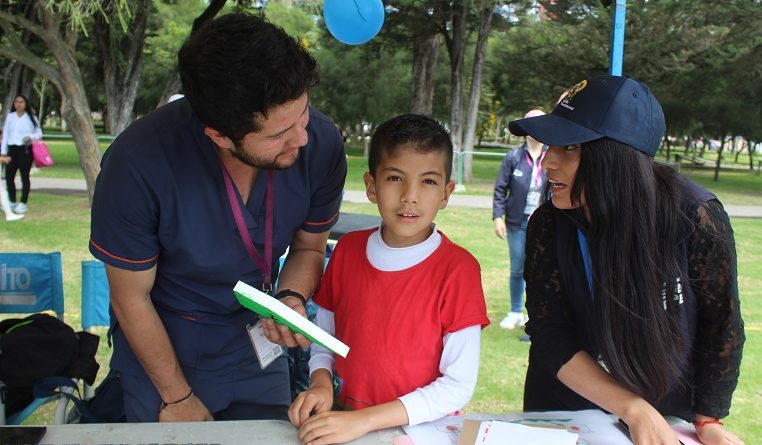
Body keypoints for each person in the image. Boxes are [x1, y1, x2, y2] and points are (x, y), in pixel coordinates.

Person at [89, 13, 346, 423]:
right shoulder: (137, 163)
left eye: (303, 115)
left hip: (257, 338)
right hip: (167, 342)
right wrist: (176, 398)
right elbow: (129, 298)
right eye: (279, 134)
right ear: (219, 136)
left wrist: (290, 298)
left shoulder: (322, 143)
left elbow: (309, 246)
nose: (302, 138)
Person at [509, 75, 745, 445]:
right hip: (566, 411)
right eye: (552, 144)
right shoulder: (549, 223)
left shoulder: (695, 217)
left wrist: (707, 419)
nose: (549, 161)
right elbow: (549, 332)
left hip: (663, 416)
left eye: (569, 147)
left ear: (616, 157)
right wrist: (631, 408)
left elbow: (721, 325)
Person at [288, 114, 490, 445]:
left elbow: (457, 386)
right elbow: (325, 337)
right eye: (395, 178)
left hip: (424, 430)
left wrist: (364, 421)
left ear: (446, 193)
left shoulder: (459, 269)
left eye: (428, 181)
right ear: (371, 185)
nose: (410, 195)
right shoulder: (348, 250)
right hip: (345, 419)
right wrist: (321, 383)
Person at [492, 109, 547, 332]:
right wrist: (497, 217)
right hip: (516, 222)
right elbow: (500, 190)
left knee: (539, 269)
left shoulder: (552, 155)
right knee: (518, 268)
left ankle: (535, 314)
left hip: (543, 223)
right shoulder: (513, 157)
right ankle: (515, 311)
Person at [1, 94, 42, 215]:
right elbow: (6, 135)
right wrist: (3, 151)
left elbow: (39, 133)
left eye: (21, 102)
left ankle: (23, 203)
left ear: (25, 104)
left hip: (25, 149)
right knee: (9, 176)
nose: (18, 104)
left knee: (24, 177)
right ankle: (12, 201)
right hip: (12, 149)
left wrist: (31, 137)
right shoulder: (10, 117)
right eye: (16, 102)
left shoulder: (31, 117)